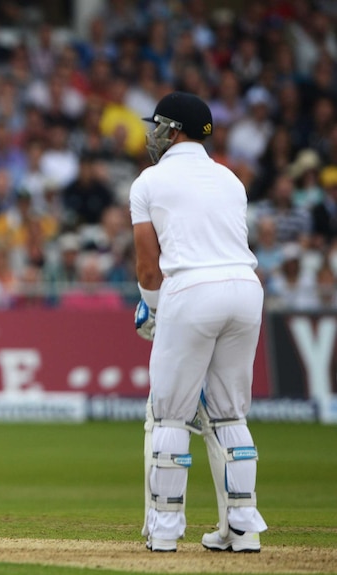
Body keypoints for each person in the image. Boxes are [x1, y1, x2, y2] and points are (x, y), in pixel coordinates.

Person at [130, 92, 267, 553]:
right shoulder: (230, 179)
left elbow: (149, 267)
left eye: (158, 126)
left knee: (169, 412)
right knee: (229, 412)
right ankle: (243, 528)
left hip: (190, 291)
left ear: (174, 130)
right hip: (245, 289)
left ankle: (165, 530)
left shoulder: (149, 181)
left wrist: (151, 306)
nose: (153, 134)